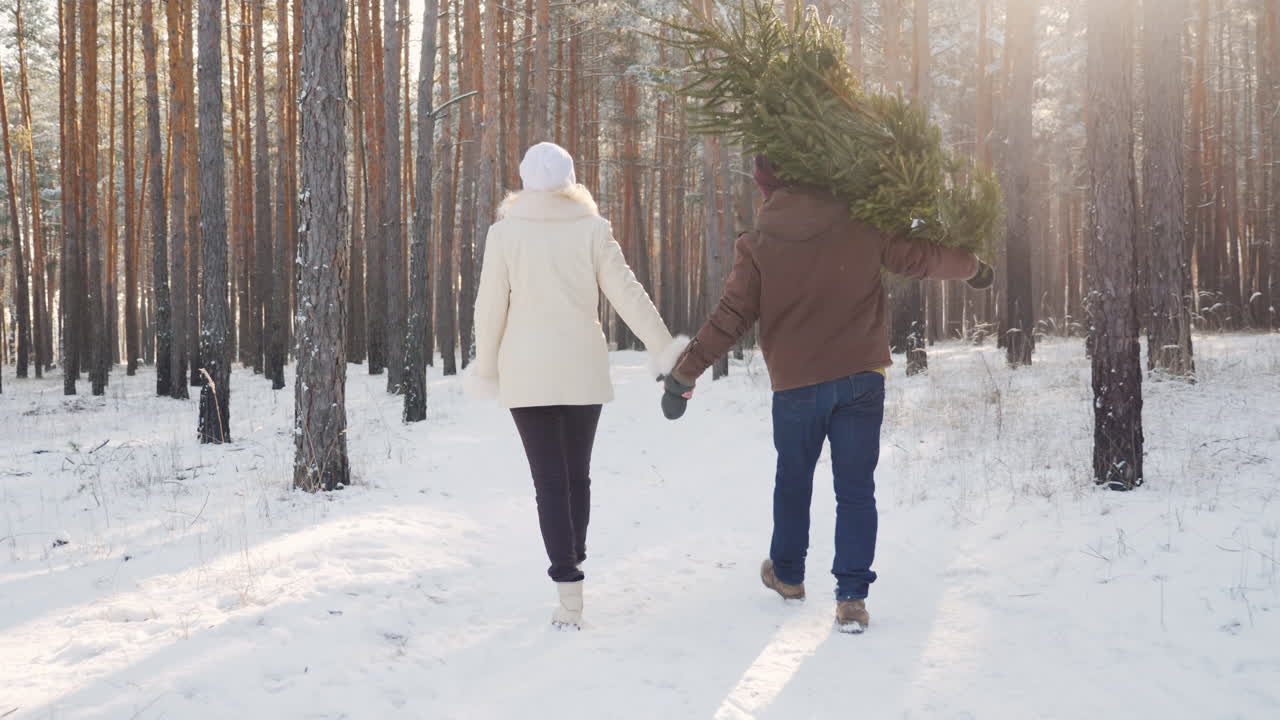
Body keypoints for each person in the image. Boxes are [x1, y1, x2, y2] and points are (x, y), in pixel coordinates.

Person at [660, 156, 994, 634]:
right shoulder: (861, 222)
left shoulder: (758, 243)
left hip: (796, 383)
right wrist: (973, 267)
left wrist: (683, 375)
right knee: (856, 488)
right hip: (861, 375)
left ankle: (789, 576)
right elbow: (919, 257)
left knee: (793, 480)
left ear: (768, 188)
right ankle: (852, 599)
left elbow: (730, 316)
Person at [470, 142, 689, 630]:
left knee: (549, 481)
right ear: (571, 181)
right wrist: (664, 350)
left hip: (526, 371)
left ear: (525, 181)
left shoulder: (505, 234)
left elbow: (489, 309)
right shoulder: (592, 230)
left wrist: (486, 369)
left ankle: (569, 593)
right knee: (576, 476)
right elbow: (628, 294)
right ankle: (574, 558)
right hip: (581, 369)